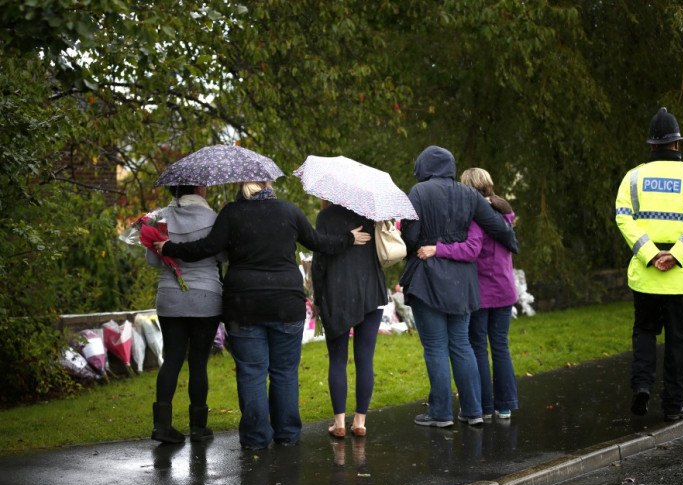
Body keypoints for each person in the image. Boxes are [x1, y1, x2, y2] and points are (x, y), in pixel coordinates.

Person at [156, 181, 370, 450]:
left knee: (251, 373)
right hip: (286, 304)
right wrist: (349, 238)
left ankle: (256, 439)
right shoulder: (288, 211)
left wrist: (169, 247)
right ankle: (287, 435)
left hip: (243, 306)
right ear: (267, 183)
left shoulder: (231, 213)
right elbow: (319, 242)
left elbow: (206, 248)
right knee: (284, 373)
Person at [400, 145, 518, 428]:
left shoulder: (418, 193)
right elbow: (495, 223)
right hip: (464, 281)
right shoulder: (467, 193)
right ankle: (473, 410)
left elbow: (411, 236)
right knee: (462, 345)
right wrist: (511, 242)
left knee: (436, 347)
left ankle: (440, 412)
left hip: (428, 278)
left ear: (424, 167)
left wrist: (410, 247)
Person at [615, 107, 683, 422]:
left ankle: (642, 386)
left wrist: (650, 254)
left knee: (644, 331)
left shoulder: (632, 178)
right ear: (676, 143)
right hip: (681, 278)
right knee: (677, 340)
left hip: (646, 276)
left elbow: (623, 218)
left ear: (651, 145)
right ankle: (673, 405)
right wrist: (677, 255)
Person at [148, 185, 226, 444]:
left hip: (170, 297)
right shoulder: (214, 219)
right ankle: (198, 427)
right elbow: (223, 255)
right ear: (199, 187)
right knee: (198, 362)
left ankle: (161, 426)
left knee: (171, 359)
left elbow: (154, 260)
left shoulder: (160, 219)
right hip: (206, 297)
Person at [311, 202, 388, 438]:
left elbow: (319, 259)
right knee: (365, 360)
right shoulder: (371, 213)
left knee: (337, 360)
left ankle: (339, 423)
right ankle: (360, 422)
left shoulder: (326, 217)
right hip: (371, 292)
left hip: (338, 293)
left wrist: (318, 296)